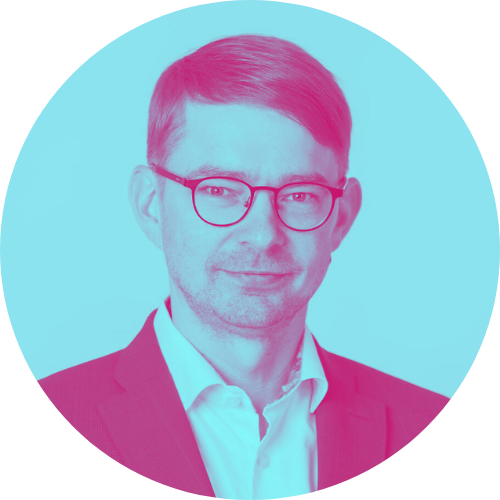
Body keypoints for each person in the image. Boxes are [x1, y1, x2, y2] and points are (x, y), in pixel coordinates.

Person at [37, 34, 450, 497]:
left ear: (341, 219)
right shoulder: (63, 410)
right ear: (152, 204)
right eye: (219, 189)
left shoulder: (425, 421)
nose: (262, 235)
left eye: (300, 195)